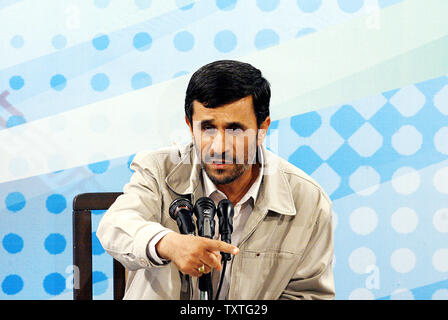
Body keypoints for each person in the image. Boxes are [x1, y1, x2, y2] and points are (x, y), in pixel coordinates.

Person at [97, 60, 335, 300]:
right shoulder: (158, 169)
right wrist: (168, 244)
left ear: (262, 129)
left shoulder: (308, 199)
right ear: (190, 127)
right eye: (208, 128)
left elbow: (308, 295)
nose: (219, 146)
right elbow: (114, 225)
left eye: (235, 130)